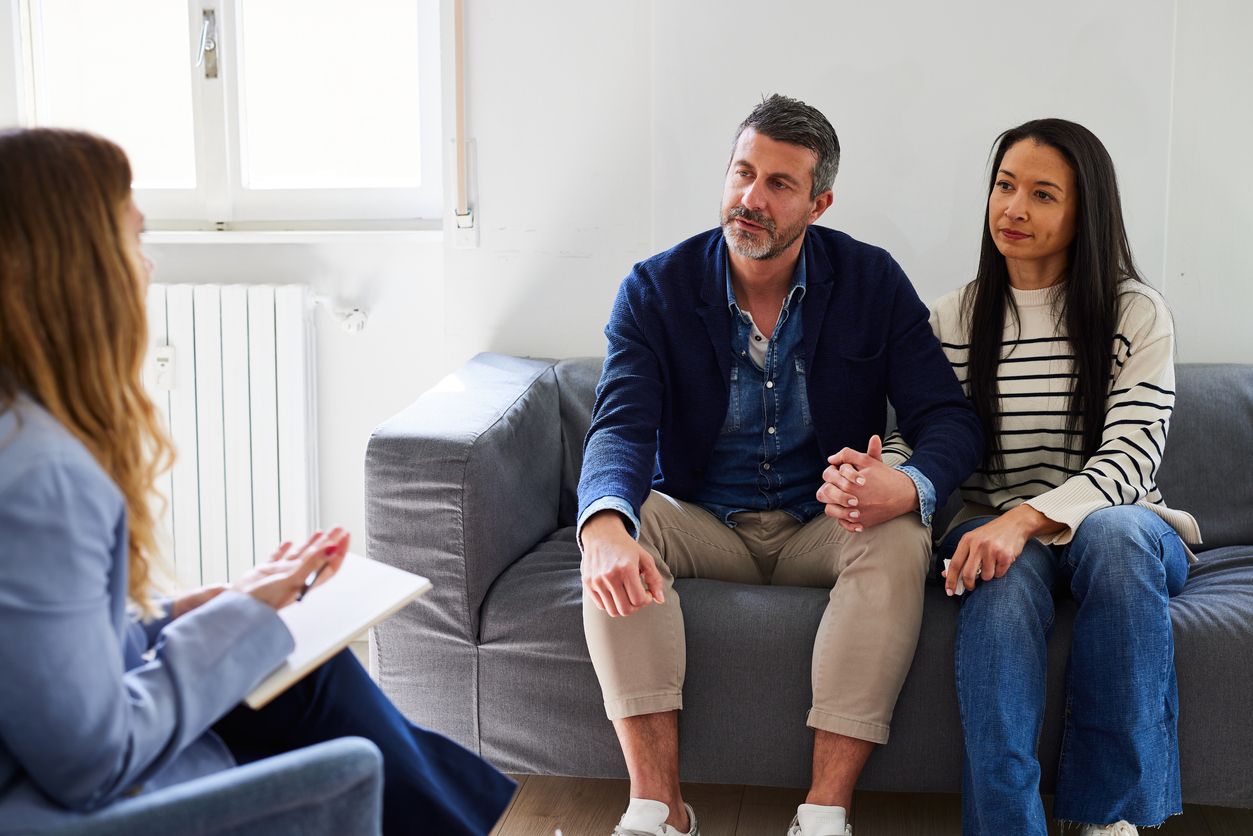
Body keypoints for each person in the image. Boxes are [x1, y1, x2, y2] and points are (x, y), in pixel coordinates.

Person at [0, 128, 516, 835]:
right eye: (133, 240)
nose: (146, 269)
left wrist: (199, 612)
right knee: (332, 725)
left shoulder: (24, 442)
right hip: (60, 806)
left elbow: (31, 663)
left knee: (309, 672)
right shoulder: (41, 478)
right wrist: (234, 621)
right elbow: (92, 759)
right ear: (76, 271)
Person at [577, 95, 984, 836]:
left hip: (821, 521)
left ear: (818, 202)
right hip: (699, 516)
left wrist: (911, 483)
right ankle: (657, 812)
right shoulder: (653, 288)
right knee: (620, 534)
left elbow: (948, 420)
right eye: (742, 173)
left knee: (900, 534)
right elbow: (621, 426)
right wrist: (602, 521)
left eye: (778, 184)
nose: (749, 199)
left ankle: (823, 814)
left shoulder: (872, 281)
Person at [831, 119, 1201, 836]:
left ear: (1083, 211)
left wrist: (1026, 517)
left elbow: (1131, 459)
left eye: (1040, 194)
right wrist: (892, 477)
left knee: (1115, 538)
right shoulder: (950, 318)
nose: (1013, 208)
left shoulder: (1135, 311)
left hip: (1121, 530)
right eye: (1004, 186)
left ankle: (1109, 819)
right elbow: (923, 441)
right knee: (995, 582)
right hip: (996, 534)